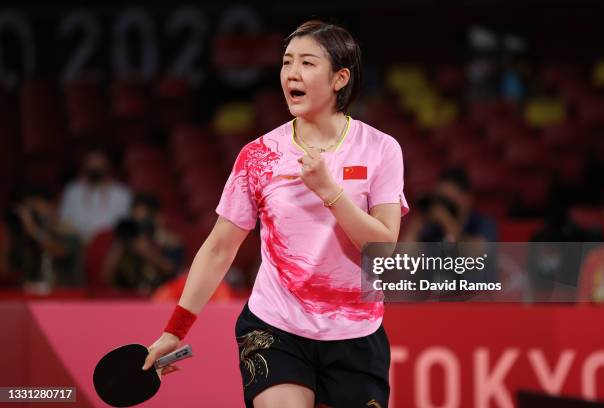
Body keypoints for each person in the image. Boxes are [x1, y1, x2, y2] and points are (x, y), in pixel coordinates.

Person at [142, 20, 409, 408]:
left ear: (340, 78)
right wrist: (175, 329)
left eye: (307, 63)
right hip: (275, 327)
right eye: (286, 63)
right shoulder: (259, 156)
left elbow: (383, 250)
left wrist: (330, 192)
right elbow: (219, 248)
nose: (292, 74)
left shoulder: (381, 149)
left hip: (356, 333)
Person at [2, 186, 81, 290]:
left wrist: (33, 230)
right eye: (31, 210)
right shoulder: (27, 238)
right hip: (35, 295)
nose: (35, 214)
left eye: (37, 208)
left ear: (53, 206)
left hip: (68, 294)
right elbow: (8, 270)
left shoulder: (69, 232)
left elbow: (57, 250)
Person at [103, 193, 184, 293]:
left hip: (162, 297)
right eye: (136, 221)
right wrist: (120, 247)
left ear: (157, 218)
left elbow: (172, 271)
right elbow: (108, 279)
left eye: (144, 222)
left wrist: (146, 251)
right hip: (130, 297)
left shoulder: (171, 241)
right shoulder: (126, 241)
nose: (140, 227)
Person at [59, 146, 132, 243]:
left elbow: (124, 230)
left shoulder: (122, 193)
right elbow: (62, 222)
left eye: (98, 160)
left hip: (107, 246)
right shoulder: (73, 190)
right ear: (85, 163)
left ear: (107, 164)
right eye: (91, 160)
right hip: (74, 243)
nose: (94, 165)